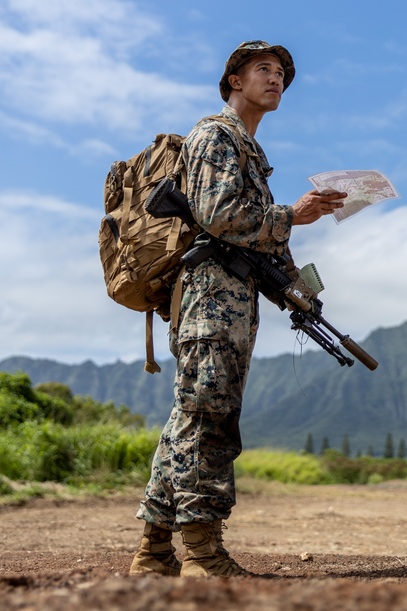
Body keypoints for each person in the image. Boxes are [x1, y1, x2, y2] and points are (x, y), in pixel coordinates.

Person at [129, 40, 346, 578]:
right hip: (209, 300)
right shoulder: (215, 135)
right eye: (262, 70)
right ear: (234, 81)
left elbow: (253, 231)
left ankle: (154, 552)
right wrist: (292, 215)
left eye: (280, 74)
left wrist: (297, 282)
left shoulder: (248, 150)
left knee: (193, 416)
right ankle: (203, 553)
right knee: (211, 419)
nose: (275, 80)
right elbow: (220, 214)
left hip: (229, 299)